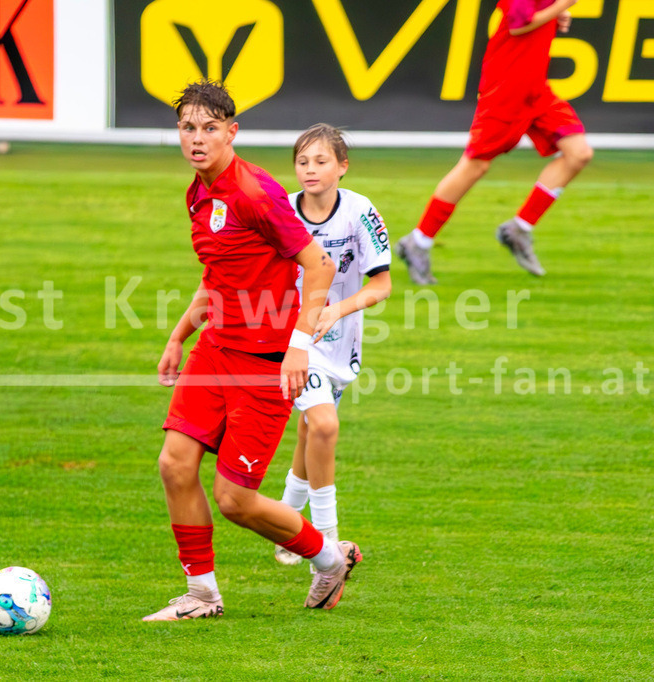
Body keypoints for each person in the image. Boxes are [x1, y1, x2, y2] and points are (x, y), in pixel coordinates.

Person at [143, 81, 359, 622]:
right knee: (174, 464)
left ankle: (330, 559)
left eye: (209, 128)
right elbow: (217, 275)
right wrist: (179, 335)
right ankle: (201, 595)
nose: (197, 139)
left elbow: (320, 266)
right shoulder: (198, 193)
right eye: (188, 128)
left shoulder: (255, 193)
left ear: (231, 132)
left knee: (234, 500)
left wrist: (299, 347)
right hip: (215, 349)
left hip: (264, 364)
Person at [397, 0, 593, 285]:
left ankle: (519, 228)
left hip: (535, 88)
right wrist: (561, 5)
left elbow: (529, 14)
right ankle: (418, 241)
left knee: (578, 153)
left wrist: (556, 13)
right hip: (506, 89)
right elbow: (519, 24)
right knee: (475, 165)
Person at [268, 125, 392, 568]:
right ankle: (326, 541)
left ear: (342, 167)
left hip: (341, 343)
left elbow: (382, 284)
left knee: (310, 430)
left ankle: (285, 524)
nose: (310, 169)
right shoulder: (281, 211)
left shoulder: (360, 211)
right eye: (302, 161)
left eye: (321, 161)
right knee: (323, 425)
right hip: (294, 339)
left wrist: (336, 311)